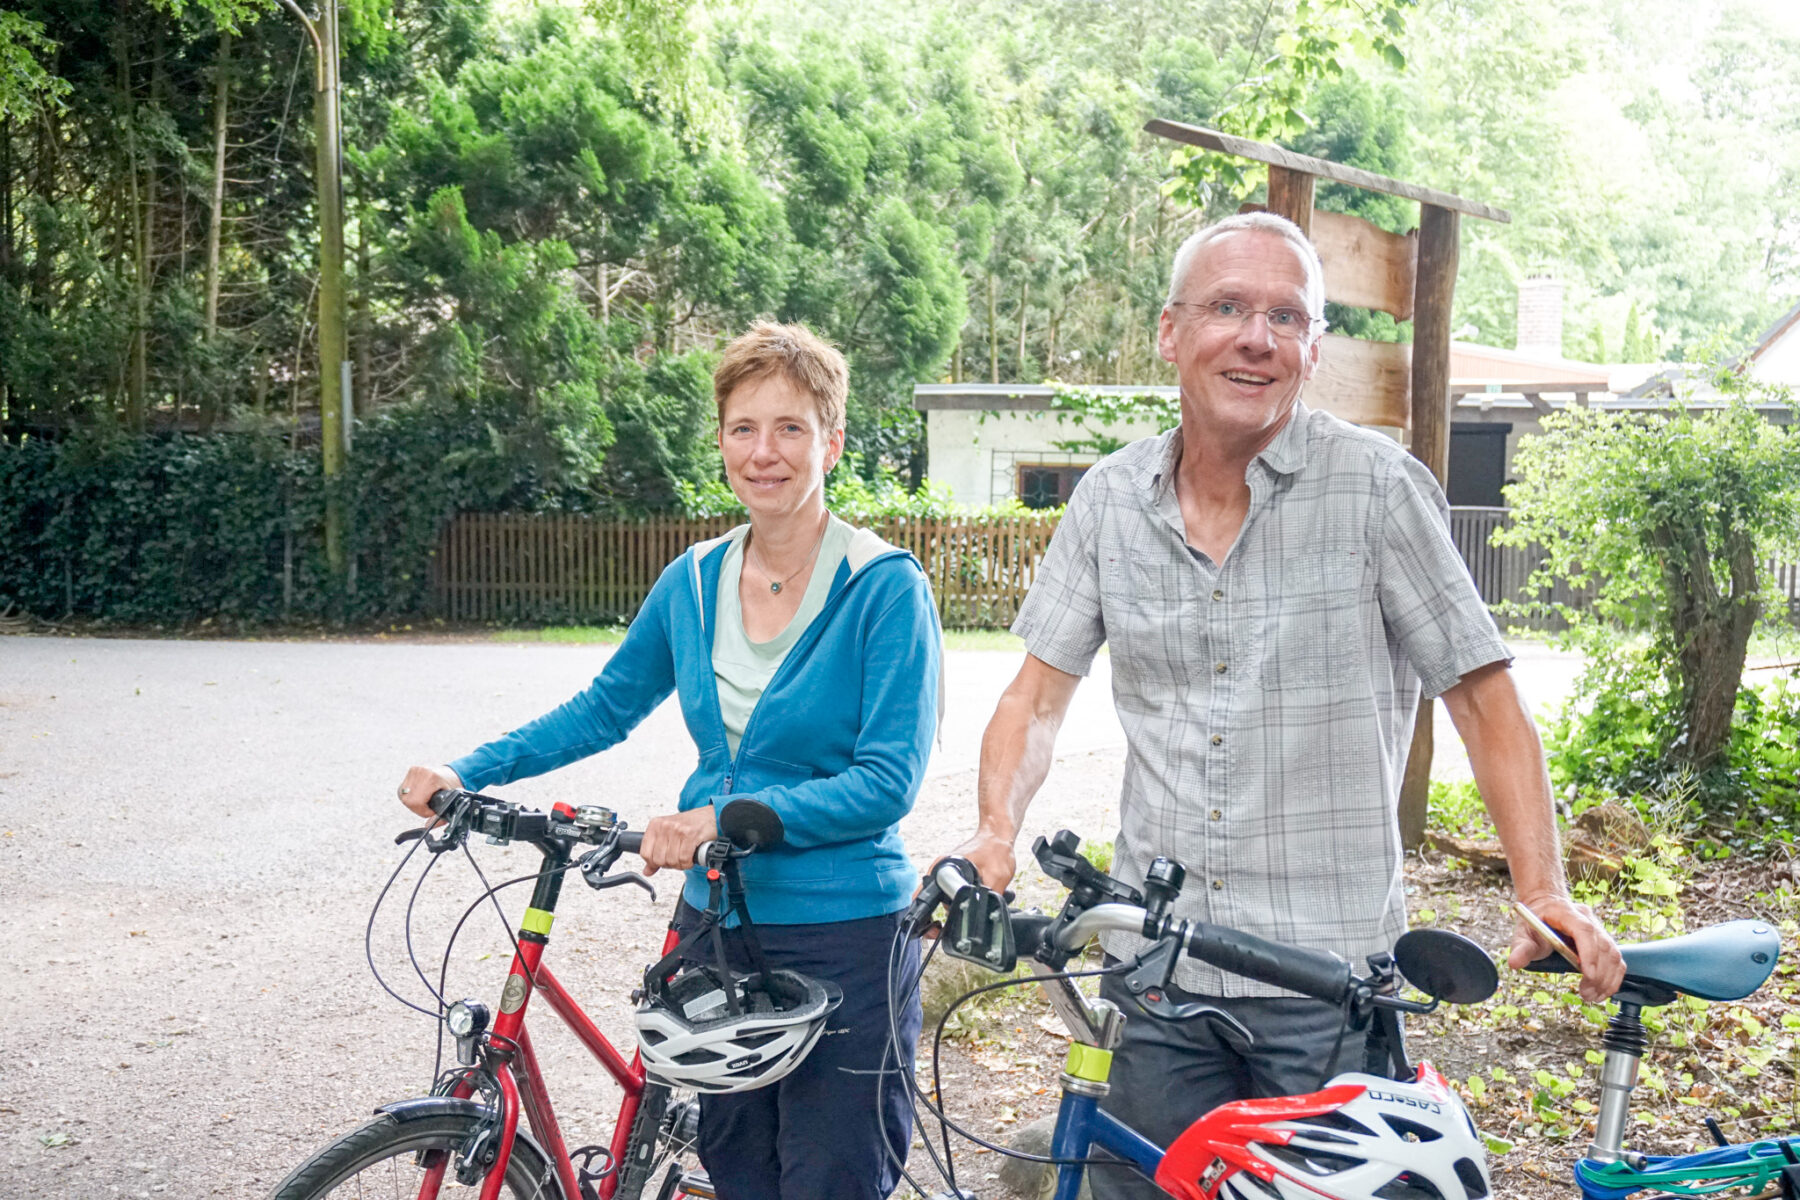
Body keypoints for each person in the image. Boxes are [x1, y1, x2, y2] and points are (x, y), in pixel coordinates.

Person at [947, 212, 1625, 1199]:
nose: (1255, 336)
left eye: (1285, 316)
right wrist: (994, 830)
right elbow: (1035, 697)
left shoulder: (1378, 493)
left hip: (1325, 988)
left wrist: (1542, 883)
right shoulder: (1106, 503)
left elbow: (1483, 695)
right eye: (1227, 307)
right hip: (1158, 978)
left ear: (1313, 351)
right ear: (1172, 332)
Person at [397, 321, 941, 1200]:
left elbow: (887, 782)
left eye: (791, 428)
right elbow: (606, 707)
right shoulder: (691, 580)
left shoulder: (884, 588)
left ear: (832, 442)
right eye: (743, 429)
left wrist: (725, 820)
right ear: (721, 440)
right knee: (737, 1174)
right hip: (716, 930)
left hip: (846, 934)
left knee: (831, 1180)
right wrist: (472, 769)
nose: (764, 452)